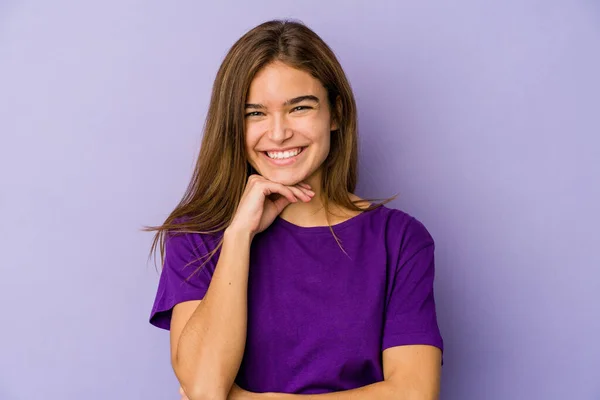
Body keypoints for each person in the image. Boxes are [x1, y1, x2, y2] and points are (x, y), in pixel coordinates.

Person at [145, 19, 444, 400]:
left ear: (335, 114)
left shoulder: (399, 240)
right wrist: (238, 237)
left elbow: (414, 394)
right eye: (255, 113)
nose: (279, 132)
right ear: (234, 126)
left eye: (299, 107)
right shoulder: (198, 235)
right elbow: (204, 389)